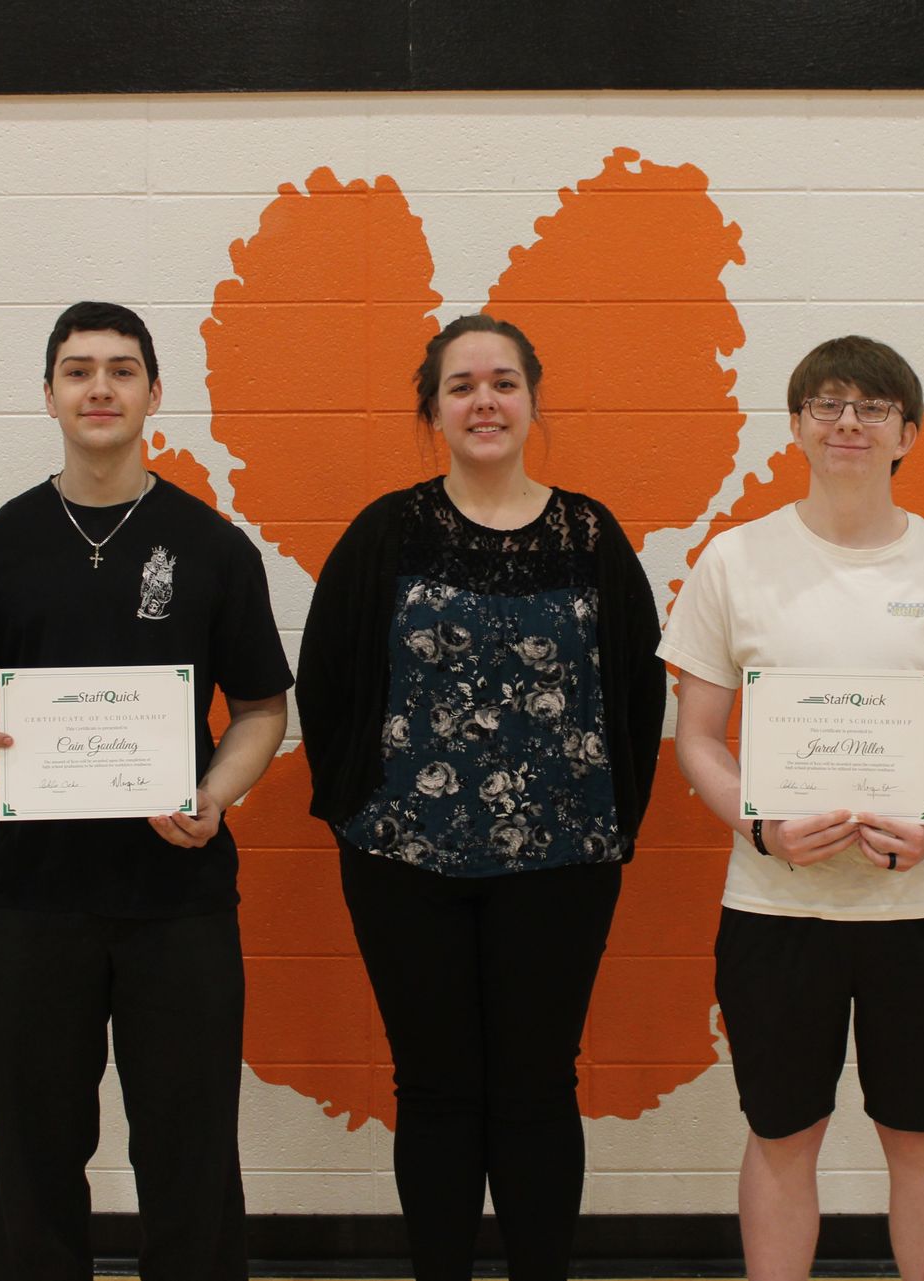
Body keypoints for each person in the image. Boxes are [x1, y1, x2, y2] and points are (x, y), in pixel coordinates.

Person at [295, 314, 666, 1281]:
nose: (485, 401)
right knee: (436, 1090)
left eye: (504, 382)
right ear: (433, 411)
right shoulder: (388, 531)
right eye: (462, 386)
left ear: (534, 402)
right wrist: (356, 812)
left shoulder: (589, 533)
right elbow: (326, 677)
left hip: (563, 862)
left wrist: (612, 817)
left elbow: (638, 687)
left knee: (540, 1090)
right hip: (402, 862)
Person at [0, 301, 291, 1280]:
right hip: (31, 902)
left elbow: (262, 708)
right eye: (79, 370)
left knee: (191, 1162)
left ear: (155, 395)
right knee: (36, 1162)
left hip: (179, 901)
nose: (100, 387)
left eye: (122, 370)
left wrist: (215, 792)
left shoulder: (213, 548)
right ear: (48, 394)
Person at [662, 336, 924, 1281]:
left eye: (872, 408)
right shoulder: (734, 562)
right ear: (796, 426)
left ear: (910, 432)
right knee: (783, 1136)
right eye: (827, 405)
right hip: (778, 909)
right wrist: (761, 826)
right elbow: (697, 735)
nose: (849, 423)